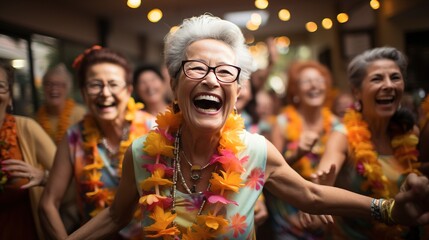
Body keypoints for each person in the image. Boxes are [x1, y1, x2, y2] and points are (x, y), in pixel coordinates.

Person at [66, 15, 429, 240]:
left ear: (238, 92)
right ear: (174, 86)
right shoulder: (142, 151)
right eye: (197, 68)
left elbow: (311, 196)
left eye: (225, 72)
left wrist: (390, 209)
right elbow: (115, 216)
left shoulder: (255, 151)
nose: (211, 80)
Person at [304, 47, 424, 239]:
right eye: (377, 79)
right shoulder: (342, 136)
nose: (388, 85)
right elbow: (321, 185)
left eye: (395, 77)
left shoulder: (410, 133)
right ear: (357, 92)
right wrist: (319, 190)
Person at [39, 46, 155, 239]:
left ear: (128, 90)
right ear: (83, 93)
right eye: (95, 85)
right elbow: (48, 203)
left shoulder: (154, 129)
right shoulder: (73, 137)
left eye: (113, 84)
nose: (105, 93)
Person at [266, 60, 341, 239]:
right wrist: (297, 154)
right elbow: (269, 172)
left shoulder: (337, 125)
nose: (314, 85)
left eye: (319, 80)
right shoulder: (282, 123)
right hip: (289, 212)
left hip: (327, 207)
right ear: (295, 91)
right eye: (306, 81)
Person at [0, 61, 56, 239]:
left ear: (9, 97)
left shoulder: (26, 127)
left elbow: (71, 180)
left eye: (0, 87)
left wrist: (44, 177)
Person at [36, 63, 86, 145]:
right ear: (43, 88)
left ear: (67, 89)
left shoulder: (80, 115)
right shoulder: (36, 119)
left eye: (59, 85)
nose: (54, 89)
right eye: (49, 84)